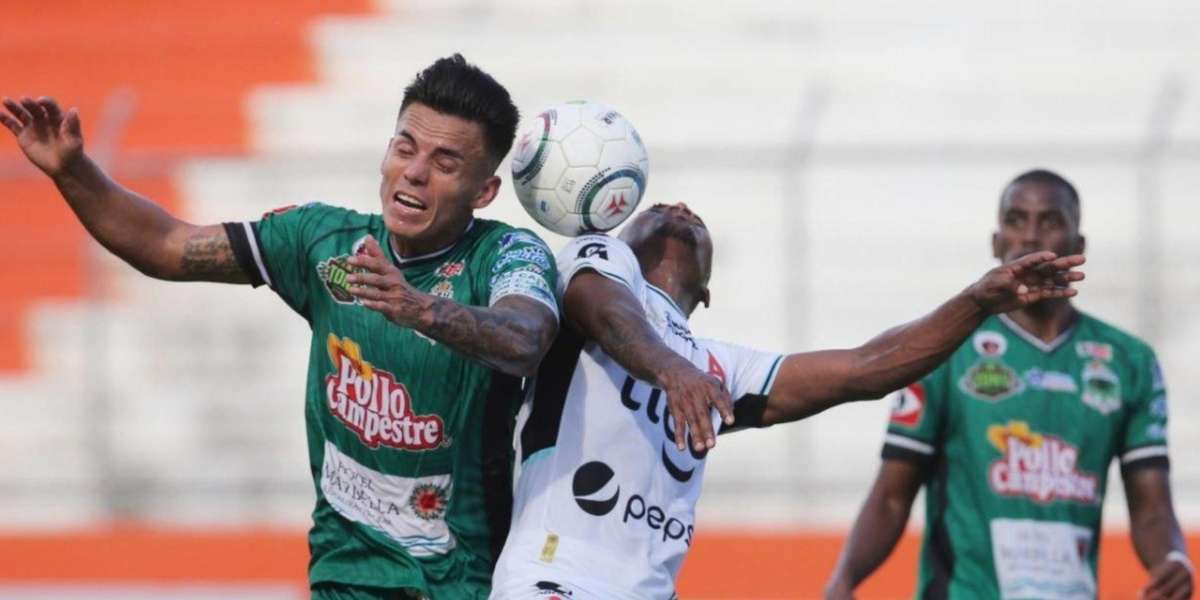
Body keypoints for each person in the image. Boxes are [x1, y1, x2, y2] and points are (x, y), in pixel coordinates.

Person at [2, 55, 560, 599]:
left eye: (444, 163)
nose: (414, 171)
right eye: (405, 147)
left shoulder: (505, 255)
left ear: (483, 191)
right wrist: (74, 171)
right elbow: (167, 247)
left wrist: (419, 309)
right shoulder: (320, 241)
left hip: (462, 582)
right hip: (345, 575)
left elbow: (526, 338)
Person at [489, 201, 1085, 599]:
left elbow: (866, 369)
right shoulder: (599, 265)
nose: (683, 209)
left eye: (701, 222)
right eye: (660, 205)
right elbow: (604, 308)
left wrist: (975, 303)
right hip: (552, 579)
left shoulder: (720, 367)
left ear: (709, 290)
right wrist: (672, 370)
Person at [825, 170, 1193, 600]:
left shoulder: (1129, 361)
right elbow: (891, 493)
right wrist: (845, 578)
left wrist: (1173, 558)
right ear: (996, 243)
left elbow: (1151, 505)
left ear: (1079, 246)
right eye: (1016, 221)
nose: (1030, 236)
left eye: (1050, 221)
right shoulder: (945, 349)